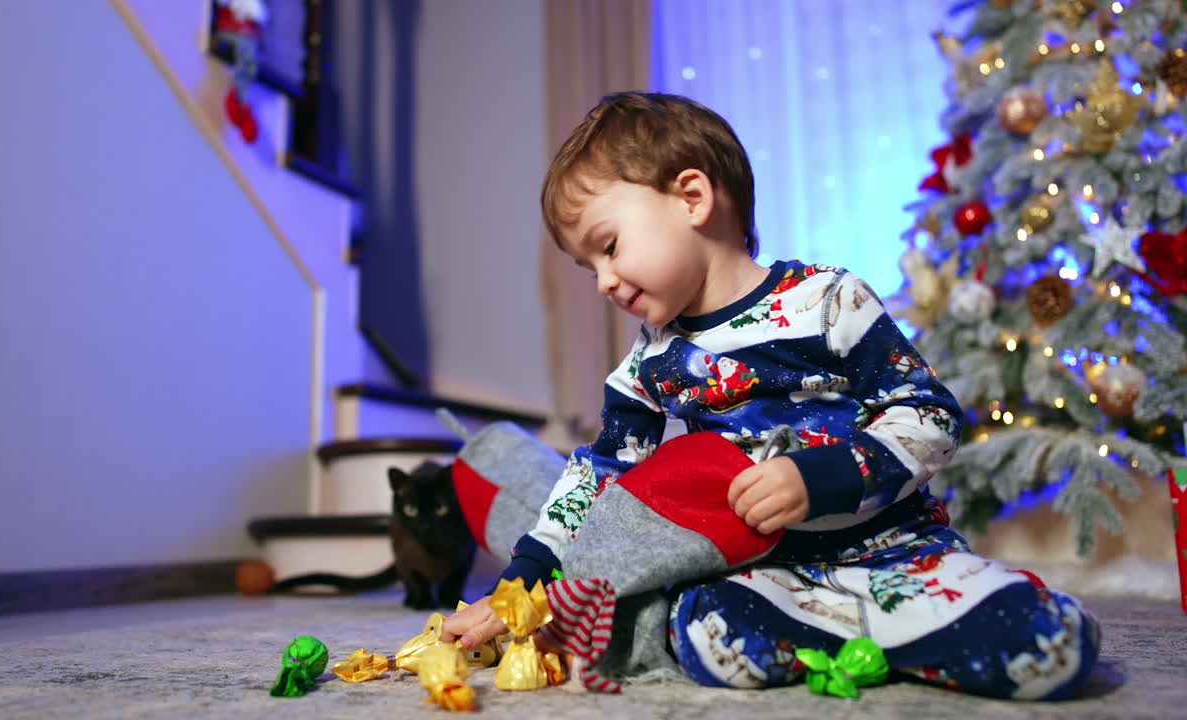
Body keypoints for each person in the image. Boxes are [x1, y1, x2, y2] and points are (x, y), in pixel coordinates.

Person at [441, 91, 1099, 699]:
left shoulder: (828, 302)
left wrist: (821, 476)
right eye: (589, 268)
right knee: (706, 635)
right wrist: (523, 577)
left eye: (609, 248)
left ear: (692, 197)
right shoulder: (648, 364)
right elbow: (596, 479)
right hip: (771, 574)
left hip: (896, 553)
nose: (604, 282)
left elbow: (930, 415)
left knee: (1051, 645)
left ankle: (907, 620)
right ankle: (867, 636)